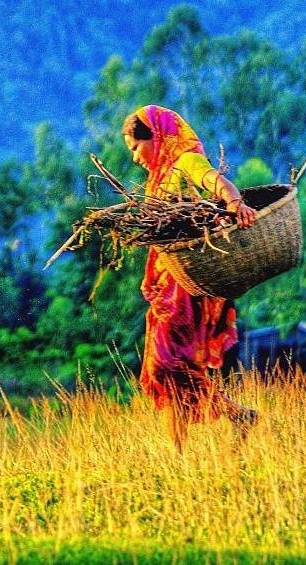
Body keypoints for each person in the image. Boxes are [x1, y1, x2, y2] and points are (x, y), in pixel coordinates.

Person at [122, 105, 259, 452]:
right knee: (173, 376)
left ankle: (237, 413)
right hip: (169, 286)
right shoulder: (159, 179)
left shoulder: (184, 162)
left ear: (155, 137)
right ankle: (180, 454)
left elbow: (216, 181)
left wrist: (235, 203)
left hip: (188, 288)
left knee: (166, 363)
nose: (135, 158)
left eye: (136, 148)